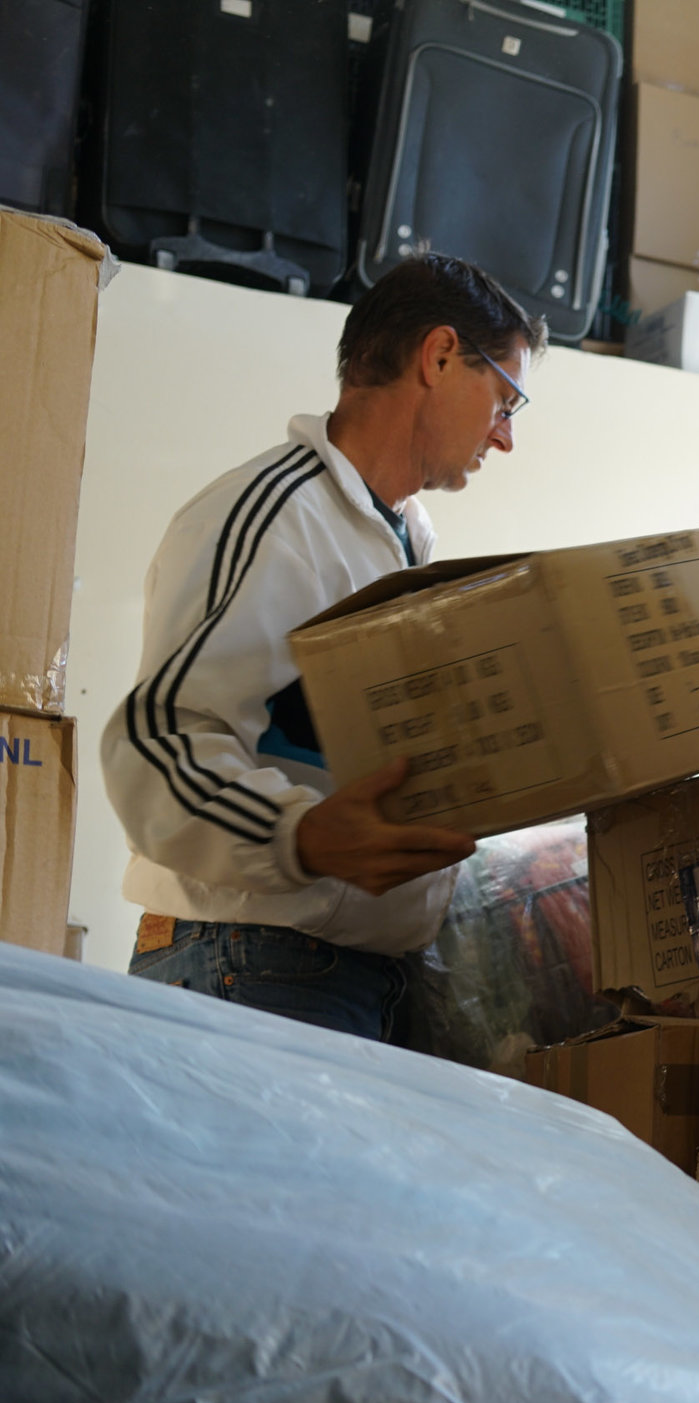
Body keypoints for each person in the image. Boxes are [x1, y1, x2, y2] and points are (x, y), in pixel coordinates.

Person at [102, 254, 547, 1042]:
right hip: (250, 963)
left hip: (339, 972)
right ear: (440, 356)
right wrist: (300, 836)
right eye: (505, 399)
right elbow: (156, 746)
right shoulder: (275, 516)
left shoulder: (400, 542)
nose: (505, 438)